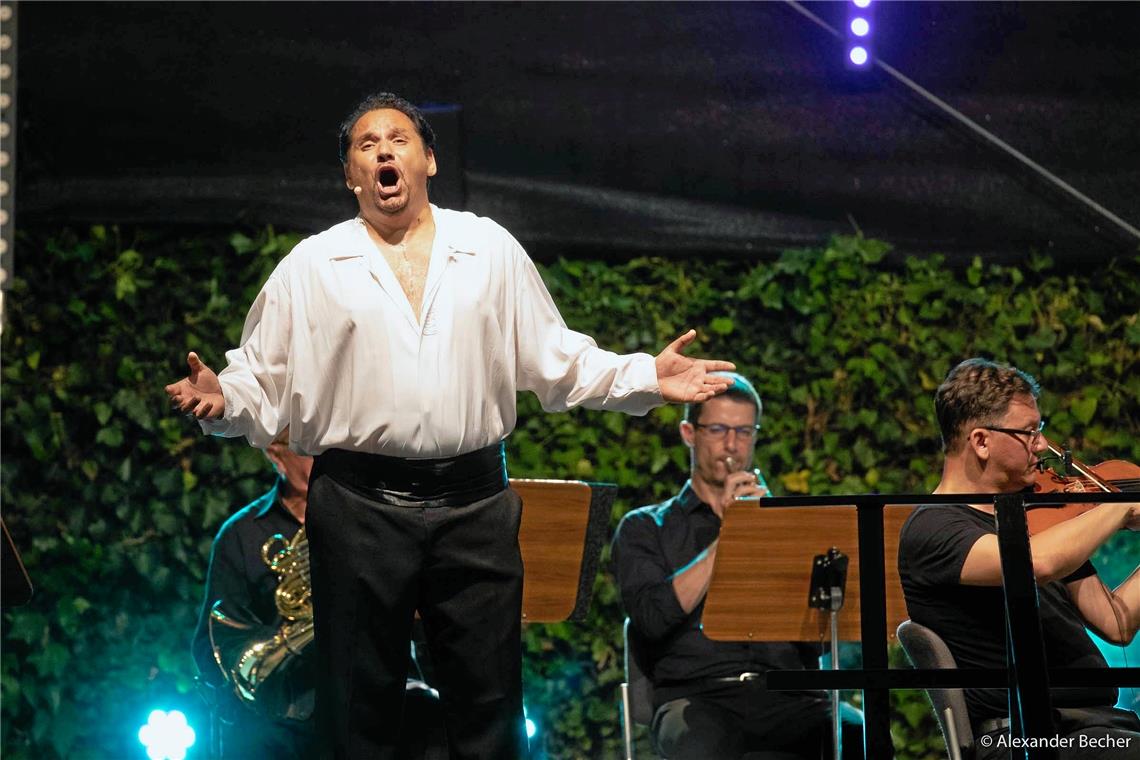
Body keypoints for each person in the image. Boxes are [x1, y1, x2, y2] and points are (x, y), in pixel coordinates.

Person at [166, 91, 734, 760]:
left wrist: (645, 376)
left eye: (399, 139)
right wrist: (222, 398)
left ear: (428, 159)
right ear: (350, 174)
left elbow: (557, 358)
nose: (384, 150)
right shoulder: (311, 268)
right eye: (365, 144)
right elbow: (259, 381)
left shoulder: (485, 248)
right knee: (357, 707)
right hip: (357, 506)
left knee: (488, 702)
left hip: (474, 503)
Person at [898, 357, 1140, 759]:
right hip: (1025, 737)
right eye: (1029, 432)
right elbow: (1033, 564)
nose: (1043, 445)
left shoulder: (1036, 520)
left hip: (1094, 730)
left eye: (1039, 430)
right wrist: (1116, 507)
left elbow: (1117, 623)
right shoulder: (933, 528)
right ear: (980, 441)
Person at [613, 372, 861, 759]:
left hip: (789, 694)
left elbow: (820, 637)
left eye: (744, 432)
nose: (732, 445)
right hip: (697, 697)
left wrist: (771, 530)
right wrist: (730, 536)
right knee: (703, 744)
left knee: (858, 733)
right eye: (718, 429)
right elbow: (650, 620)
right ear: (688, 434)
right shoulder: (646, 527)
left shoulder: (786, 524)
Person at [192, 430, 447, 759]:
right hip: (289, 704)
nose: (330, 463)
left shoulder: (378, 521)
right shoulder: (243, 534)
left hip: (379, 688)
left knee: (434, 720)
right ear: (275, 454)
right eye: (313, 452)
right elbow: (211, 645)